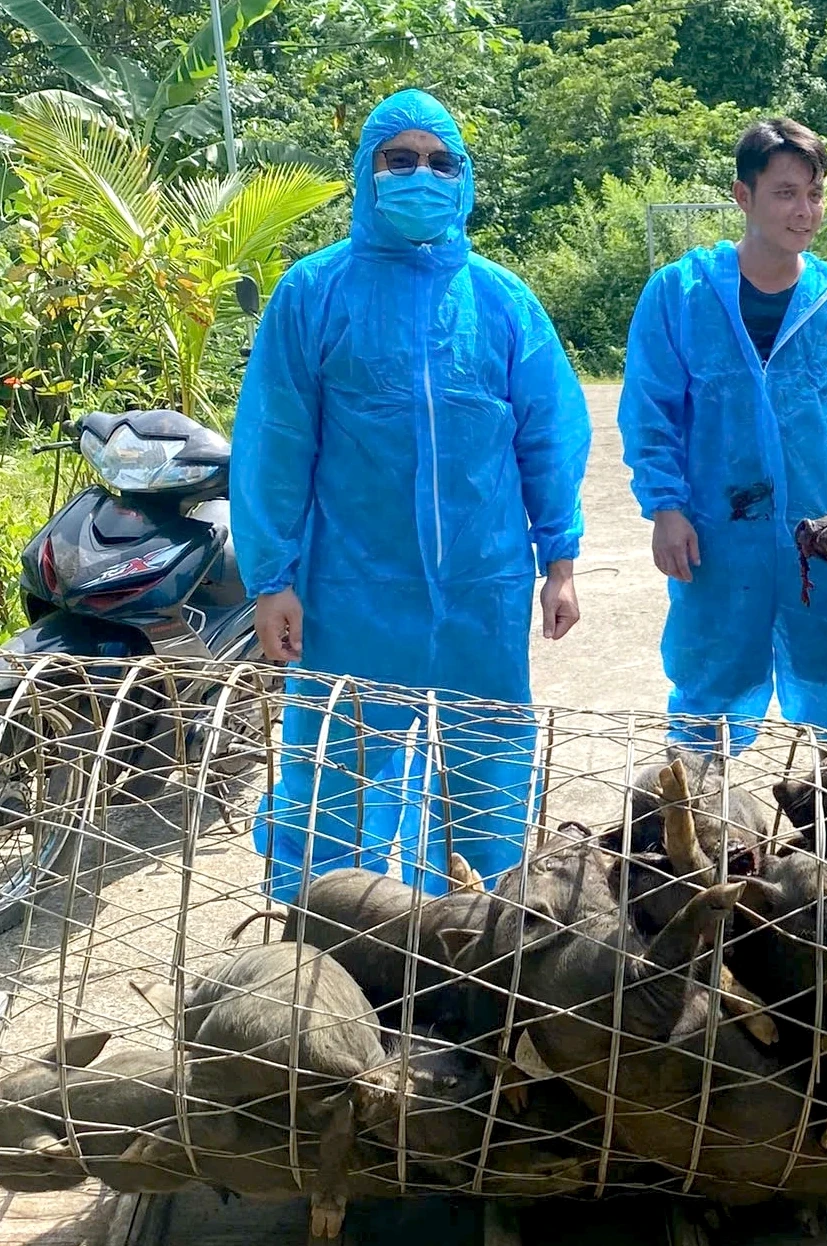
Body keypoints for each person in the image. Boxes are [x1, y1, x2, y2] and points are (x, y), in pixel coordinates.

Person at [233, 89, 591, 900]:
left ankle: (474, 946)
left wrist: (559, 559)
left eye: (440, 163)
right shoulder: (312, 293)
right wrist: (272, 579)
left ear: (463, 180)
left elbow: (549, 435)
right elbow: (275, 447)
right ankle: (331, 945)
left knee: (487, 781)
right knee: (338, 788)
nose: (420, 176)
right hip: (351, 594)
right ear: (368, 173)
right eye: (401, 161)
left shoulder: (502, 301)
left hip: (482, 589)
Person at [619, 118, 827, 748]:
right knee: (709, 695)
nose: (805, 211)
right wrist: (665, 508)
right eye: (785, 193)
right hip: (717, 538)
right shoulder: (681, 295)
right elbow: (651, 413)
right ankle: (701, 829)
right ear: (743, 196)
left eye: (815, 193)